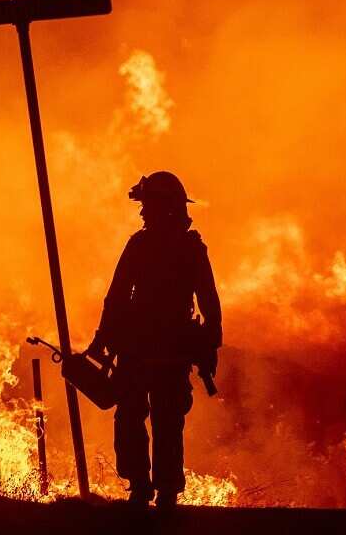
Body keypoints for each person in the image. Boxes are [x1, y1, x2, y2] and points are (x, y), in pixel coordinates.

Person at [86, 171, 222, 510]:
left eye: (148, 205)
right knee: (160, 419)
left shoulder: (148, 246)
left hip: (147, 349)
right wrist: (209, 345)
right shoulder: (180, 248)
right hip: (157, 349)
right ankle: (158, 490)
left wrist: (105, 336)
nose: (143, 212)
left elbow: (117, 297)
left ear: (164, 207)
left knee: (144, 417)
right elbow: (209, 304)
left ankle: (147, 489)